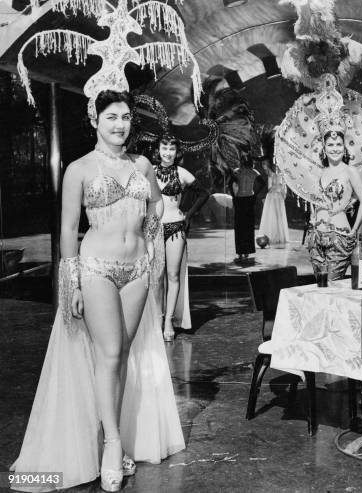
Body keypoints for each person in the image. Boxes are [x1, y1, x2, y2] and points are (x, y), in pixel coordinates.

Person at [11, 91, 185, 492]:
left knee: (121, 355)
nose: (120, 124)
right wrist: (69, 283)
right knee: (108, 354)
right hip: (96, 270)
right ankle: (112, 443)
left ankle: (108, 430)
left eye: (125, 117)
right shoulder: (79, 169)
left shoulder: (142, 164)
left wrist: (152, 247)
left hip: (137, 272)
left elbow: (157, 208)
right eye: (111, 117)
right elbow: (69, 230)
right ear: (95, 120)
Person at [153, 134, 208, 341]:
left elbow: (204, 193)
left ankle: (168, 321)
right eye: (164, 148)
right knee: (156, 277)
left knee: (173, 275)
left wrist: (188, 216)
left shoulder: (182, 173)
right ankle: (157, 319)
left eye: (172, 149)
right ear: (158, 149)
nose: (167, 153)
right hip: (155, 228)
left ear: (177, 152)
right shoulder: (148, 170)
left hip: (176, 227)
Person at [306, 129, 362, 280]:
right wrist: (312, 216)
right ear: (324, 147)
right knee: (320, 285)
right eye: (330, 145)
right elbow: (313, 199)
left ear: (344, 147)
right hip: (316, 237)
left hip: (339, 237)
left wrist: (354, 229)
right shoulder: (319, 172)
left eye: (339, 144)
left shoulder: (350, 171)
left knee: (331, 285)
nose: (335, 148)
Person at [232, 155, 262, 263]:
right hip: (249, 199)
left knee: (240, 227)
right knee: (248, 227)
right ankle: (246, 252)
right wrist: (255, 194)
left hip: (240, 199)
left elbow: (231, 184)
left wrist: (234, 197)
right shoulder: (254, 172)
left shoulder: (237, 171)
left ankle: (241, 252)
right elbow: (262, 183)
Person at [258, 160, 290, 246]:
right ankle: (277, 236)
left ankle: (274, 236)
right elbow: (282, 188)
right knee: (277, 216)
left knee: (273, 216)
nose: (263, 166)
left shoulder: (271, 175)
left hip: (273, 197)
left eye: (264, 164)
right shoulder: (279, 175)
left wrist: (275, 188)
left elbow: (270, 188)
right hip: (277, 196)